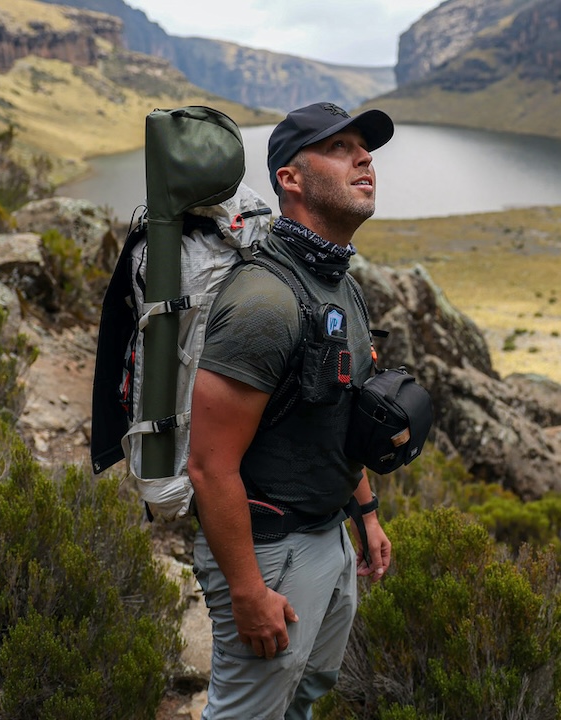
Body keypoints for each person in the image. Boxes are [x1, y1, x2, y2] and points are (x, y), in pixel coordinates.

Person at [187, 101, 396, 720]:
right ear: (290, 179)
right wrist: (248, 591)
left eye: (365, 148)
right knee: (247, 713)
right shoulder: (265, 301)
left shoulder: (339, 283)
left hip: (328, 537)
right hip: (270, 552)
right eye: (339, 148)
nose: (364, 159)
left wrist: (366, 515)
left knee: (303, 699)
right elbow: (208, 466)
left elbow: (334, 411)